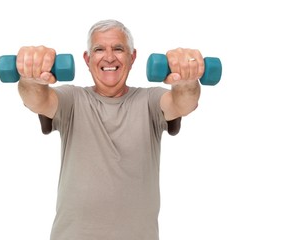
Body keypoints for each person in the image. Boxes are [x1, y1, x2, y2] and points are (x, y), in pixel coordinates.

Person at [16, 19, 203, 240]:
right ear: (87, 59)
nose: (109, 57)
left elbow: (183, 103)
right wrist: (30, 78)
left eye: (118, 49)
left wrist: (187, 81)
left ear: (132, 58)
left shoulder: (150, 100)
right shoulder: (72, 100)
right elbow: (38, 99)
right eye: (99, 49)